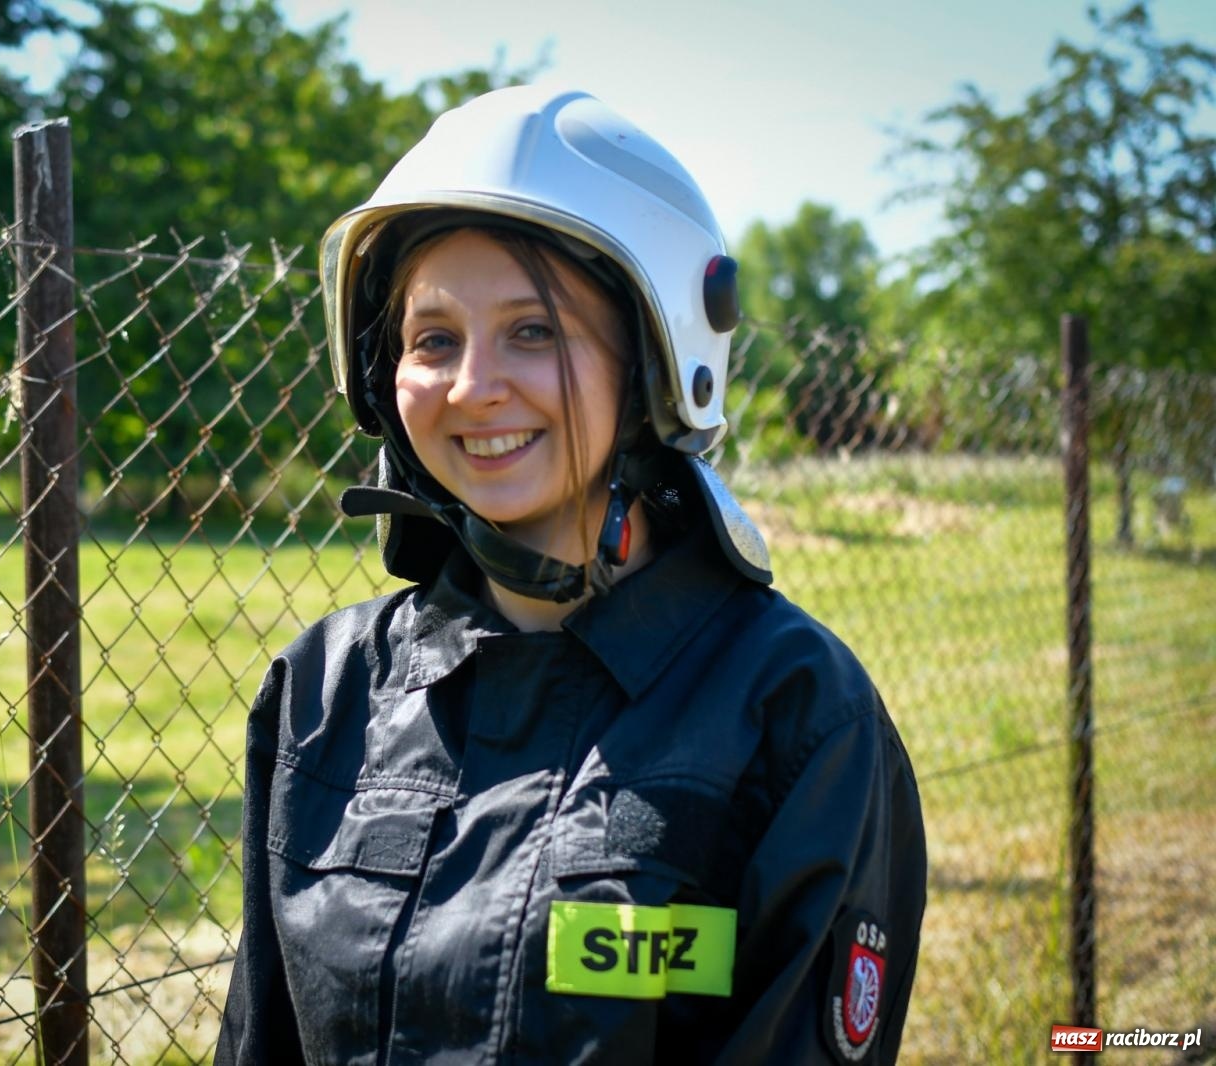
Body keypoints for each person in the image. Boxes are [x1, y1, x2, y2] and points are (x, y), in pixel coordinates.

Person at [215, 85, 927, 1065]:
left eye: (534, 330)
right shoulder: (327, 688)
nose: (472, 386)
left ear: (655, 363)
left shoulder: (795, 715)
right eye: (433, 339)